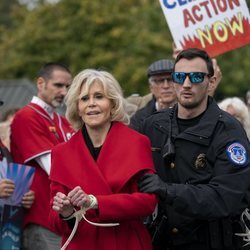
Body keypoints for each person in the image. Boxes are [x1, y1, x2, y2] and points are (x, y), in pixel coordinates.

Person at [136, 48, 250, 250]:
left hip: (210, 241)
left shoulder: (229, 132)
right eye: (180, 77)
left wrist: (165, 189)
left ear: (211, 82)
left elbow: (225, 198)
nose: (186, 84)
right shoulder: (152, 125)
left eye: (196, 77)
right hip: (160, 240)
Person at [49, 69, 158, 250]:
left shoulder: (137, 142)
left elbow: (148, 202)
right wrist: (66, 213)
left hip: (127, 242)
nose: (91, 104)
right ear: (77, 107)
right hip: (83, 243)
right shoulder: (61, 152)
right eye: (84, 99)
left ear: (113, 104)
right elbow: (54, 222)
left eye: (99, 97)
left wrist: (96, 202)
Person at [10, 62, 74, 250]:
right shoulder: (27, 116)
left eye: (67, 86)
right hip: (42, 217)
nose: (64, 91)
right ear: (40, 83)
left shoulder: (61, 119)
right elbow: (52, 165)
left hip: (62, 216)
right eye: (58, 85)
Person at [130, 59, 176, 131]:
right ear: (151, 87)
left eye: (170, 80)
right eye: (159, 81)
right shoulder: (139, 119)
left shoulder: (193, 110)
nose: (166, 86)